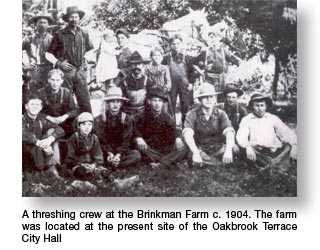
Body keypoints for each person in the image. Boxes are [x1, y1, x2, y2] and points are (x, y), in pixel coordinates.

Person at [46, 6, 93, 113]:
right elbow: (48, 54)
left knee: (84, 101)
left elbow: (91, 50)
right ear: (67, 19)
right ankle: (64, 127)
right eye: (71, 17)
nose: (74, 19)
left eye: (76, 17)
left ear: (79, 18)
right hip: (65, 73)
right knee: (64, 100)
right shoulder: (59, 34)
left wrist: (86, 59)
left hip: (80, 72)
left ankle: (88, 126)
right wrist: (58, 63)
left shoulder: (84, 33)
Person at [236, 93, 297, 169]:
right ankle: (276, 166)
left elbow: (286, 132)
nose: (260, 108)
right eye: (257, 105)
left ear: (266, 106)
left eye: (262, 105)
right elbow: (241, 136)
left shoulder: (272, 118)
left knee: (289, 147)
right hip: (258, 152)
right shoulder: (247, 120)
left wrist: (294, 145)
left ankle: (270, 165)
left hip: (275, 151)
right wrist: (248, 147)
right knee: (246, 152)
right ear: (252, 107)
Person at [183, 83, 236, 167]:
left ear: (215, 99)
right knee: (190, 153)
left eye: (211, 97)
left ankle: (209, 162)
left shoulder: (221, 113)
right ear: (200, 99)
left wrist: (228, 150)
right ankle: (218, 163)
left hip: (218, 148)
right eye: (205, 97)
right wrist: (196, 152)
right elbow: (187, 134)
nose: (209, 99)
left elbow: (229, 131)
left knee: (235, 149)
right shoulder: (192, 114)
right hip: (201, 148)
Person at [134, 86, 187, 168]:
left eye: (159, 101)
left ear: (163, 103)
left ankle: (160, 164)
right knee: (139, 147)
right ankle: (168, 161)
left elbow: (175, 130)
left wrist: (178, 138)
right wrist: (139, 138)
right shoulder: (142, 116)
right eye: (154, 100)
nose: (157, 104)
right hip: (149, 148)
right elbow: (135, 130)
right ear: (149, 101)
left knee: (184, 146)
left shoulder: (167, 117)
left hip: (163, 149)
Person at [94, 86, 141, 170]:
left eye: (118, 102)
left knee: (136, 155)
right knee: (94, 154)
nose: (115, 105)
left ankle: (113, 164)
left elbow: (127, 140)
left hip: (121, 152)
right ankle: (112, 163)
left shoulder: (127, 119)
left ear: (121, 103)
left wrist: (118, 154)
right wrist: (109, 153)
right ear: (107, 103)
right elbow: (101, 139)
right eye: (112, 102)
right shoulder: (100, 119)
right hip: (105, 151)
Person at [22, 94, 65, 179]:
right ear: (26, 106)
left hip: (38, 151)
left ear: (41, 107)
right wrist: (40, 143)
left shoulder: (41, 120)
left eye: (37, 105)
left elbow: (60, 130)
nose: (35, 107)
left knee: (52, 132)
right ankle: (42, 171)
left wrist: (49, 140)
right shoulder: (21, 119)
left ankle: (52, 167)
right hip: (24, 153)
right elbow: (22, 134)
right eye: (32, 104)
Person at [193, 27, 240, 92]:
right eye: (211, 37)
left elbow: (237, 62)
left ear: (219, 38)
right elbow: (193, 62)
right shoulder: (205, 51)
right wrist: (201, 72)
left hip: (222, 78)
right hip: (210, 78)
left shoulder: (224, 51)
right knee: (211, 95)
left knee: (222, 96)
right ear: (208, 39)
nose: (213, 39)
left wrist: (230, 73)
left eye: (216, 37)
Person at [65, 112, 107, 181]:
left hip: (91, 164)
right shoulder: (74, 138)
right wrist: (81, 164)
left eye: (89, 125)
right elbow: (70, 157)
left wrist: (94, 165)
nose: (87, 127)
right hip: (79, 165)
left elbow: (98, 154)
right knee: (80, 172)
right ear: (79, 126)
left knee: (104, 173)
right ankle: (85, 180)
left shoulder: (94, 138)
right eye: (84, 124)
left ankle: (97, 176)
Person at [38, 69, 79, 137]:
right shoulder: (41, 92)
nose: (55, 83)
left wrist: (64, 117)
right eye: (53, 80)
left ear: (61, 81)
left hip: (63, 122)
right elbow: (35, 111)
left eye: (57, 80)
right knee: (50, 131)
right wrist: (49, 118)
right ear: (49, 80)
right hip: (47, 122)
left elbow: (75, 110)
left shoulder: (66, 92)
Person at [163, 34, 194, 125]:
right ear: (170, 45)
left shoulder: (187, 57)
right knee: (170, 106)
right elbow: (162, 70)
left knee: (185, 106)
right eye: (173, 44)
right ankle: (172, 126)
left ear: (181, 44)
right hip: (172, 86)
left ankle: (186, 126)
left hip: (185, 85)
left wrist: (191, 83)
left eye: (178, 43)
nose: (176, 46)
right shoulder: (167, 57)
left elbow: (192, 72)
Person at [119, 51, 154, 118]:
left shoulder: (148, 82)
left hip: (144, 114)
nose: (136, 67)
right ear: (130, 66)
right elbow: (121, 101)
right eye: (133, 64)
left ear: (143, 65)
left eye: (139, 64)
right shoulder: (124, 81)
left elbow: (151, 101)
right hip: (128, 114)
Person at [145, 46, 174, 117]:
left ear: (162, 57)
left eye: (159, 55)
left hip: (162, 93)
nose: (157, 57)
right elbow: (145, 80)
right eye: (154, 55)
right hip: (151, 94)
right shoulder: (147, 68)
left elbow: (168, 82)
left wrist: (164, 89)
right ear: (151, 57)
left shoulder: (165, 68)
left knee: (164, 113)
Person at [28, 13, 54, 89]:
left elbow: (58, 55)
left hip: (48, 69)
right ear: (36, 24)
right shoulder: (29, 39)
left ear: (48, 25)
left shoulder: (52, 39)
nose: (42, 25)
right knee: (34, 93)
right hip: (34, 69)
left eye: (44, 23)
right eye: (40, 22)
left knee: (47, 92)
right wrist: (24, 65)